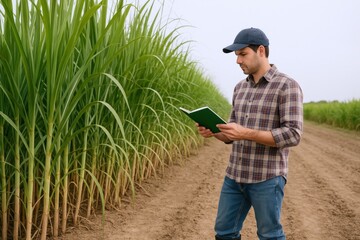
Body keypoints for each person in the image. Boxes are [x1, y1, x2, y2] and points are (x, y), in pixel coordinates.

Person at [197, 27, 303, 240]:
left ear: (261, 51)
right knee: (224, 232)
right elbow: (231, 134)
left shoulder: (287, 86)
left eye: (243, 54)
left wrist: (246, 133)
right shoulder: (239, 88)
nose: (238, 61)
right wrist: (214, 131)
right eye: (237, 56)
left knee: (270, 235)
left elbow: (293, 135)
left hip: (267, 178)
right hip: (234, 175)